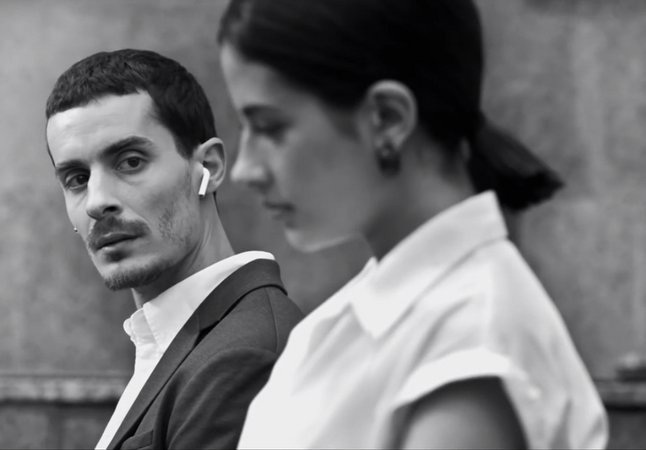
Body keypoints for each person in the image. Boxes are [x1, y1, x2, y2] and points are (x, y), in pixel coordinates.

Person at [218, 0, 608, 448]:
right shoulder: (373, 314)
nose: (245, 169)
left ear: (387, 118)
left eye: (270, 128)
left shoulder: (469, 343)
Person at [44, 49, 303, 450]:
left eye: (130, 162)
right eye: (77, 178)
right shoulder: (183, 342)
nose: (96, 202)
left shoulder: (243, 357)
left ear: (209, 167)